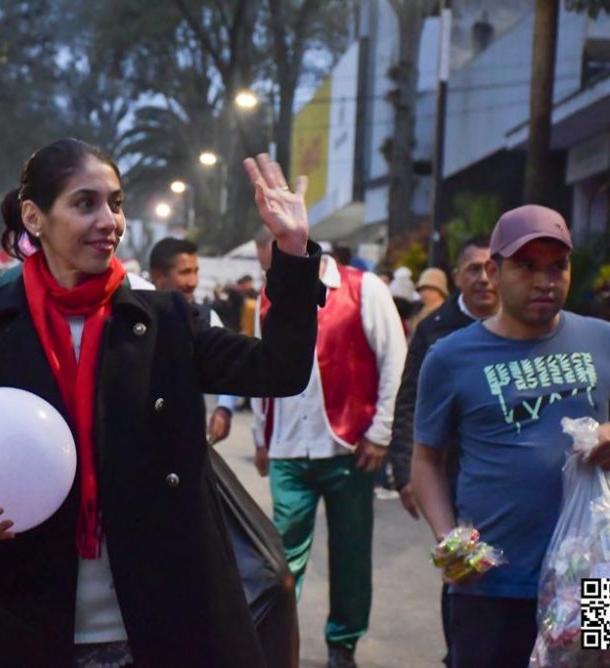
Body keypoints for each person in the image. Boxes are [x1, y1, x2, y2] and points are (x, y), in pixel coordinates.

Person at [0, 139, 324, 667]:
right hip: (20, 623)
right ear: (34, 217)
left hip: (159, 624)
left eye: (116, 202)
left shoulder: (167, 321)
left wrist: (292, 250)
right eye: (85, 203)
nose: (109, 220)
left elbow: (281, 370)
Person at [412, 205, 610, 668]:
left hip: (594, 578)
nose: (545, 279)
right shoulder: (450, 356)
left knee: (596, 664)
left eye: (556, 265)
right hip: (490, 582)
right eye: (526, 265)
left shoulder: (602, 339)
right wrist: (448, 538)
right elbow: (425, 461)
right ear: (494, 271)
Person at [252, 235, 407, 668]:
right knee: (279, 559)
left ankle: (343, 643)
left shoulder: (364, 287)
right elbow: (260, 368)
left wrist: (381, 432)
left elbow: (395, 359)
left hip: (347, 444)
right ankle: (274, 643)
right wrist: (261, 437)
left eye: (267, 245)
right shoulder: (268, 295)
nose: (262, 256)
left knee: (351, 553)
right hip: (288, 448)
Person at [387, 234, 498, 665]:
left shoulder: (588, 339)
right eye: (475, 269)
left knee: (589, 600)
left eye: (559, 265)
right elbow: (410, 400)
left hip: (575, 515)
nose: (547, 281)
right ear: (456, 277)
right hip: (463, 484)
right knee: (466, 580)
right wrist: (408, 473)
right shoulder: (439, 336)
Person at [149, 237, 236, 445]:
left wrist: (224, 409)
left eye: (195, 271)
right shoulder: (132, 318)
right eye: (185, 273)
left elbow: (229, 366)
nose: (193, 282)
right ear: (158, 277)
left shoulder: (205, 318)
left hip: (187, 439)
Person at [408, 267, 448, 334]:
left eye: (431, 290)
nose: (425, 294)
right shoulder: (417, 309)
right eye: (423, 290)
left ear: (441, 292)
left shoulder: (446, 312)